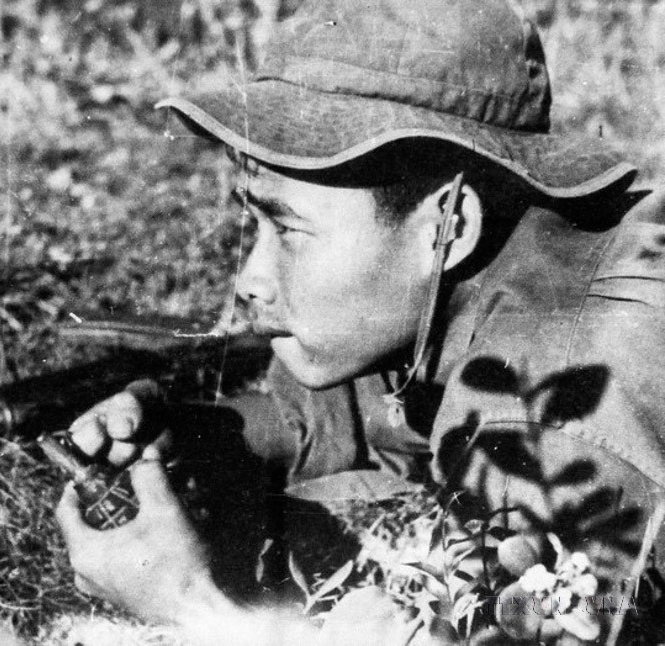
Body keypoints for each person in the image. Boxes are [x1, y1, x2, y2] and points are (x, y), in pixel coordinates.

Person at [54, 0, 665, 642]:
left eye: (287, 228)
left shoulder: (555, 417)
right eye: (255, 224)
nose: (250, 279)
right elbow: (356, 419)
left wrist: (189, 604)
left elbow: (556, 625)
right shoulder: (472, 284)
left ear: (447, 227)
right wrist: (200, 443)